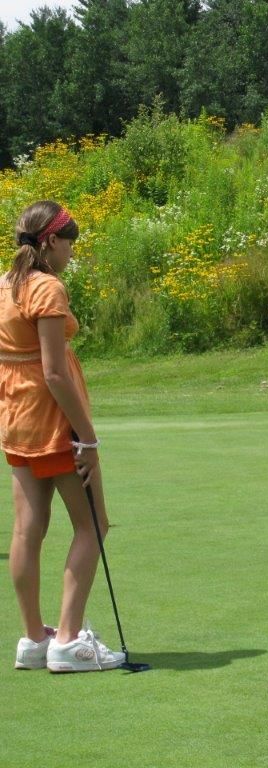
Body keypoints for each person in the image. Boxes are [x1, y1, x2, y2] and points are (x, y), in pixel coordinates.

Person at [3, 200, 125, 672]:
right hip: (53, 422)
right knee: (93, 525)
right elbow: (54, 373)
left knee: (26, 530)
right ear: (51, 241)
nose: (73, 251)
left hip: (16, 420)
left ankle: (34, 639)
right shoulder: (46, 288)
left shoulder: (4, 285)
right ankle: (68, 641)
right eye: (70, 242)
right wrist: (88, 440)